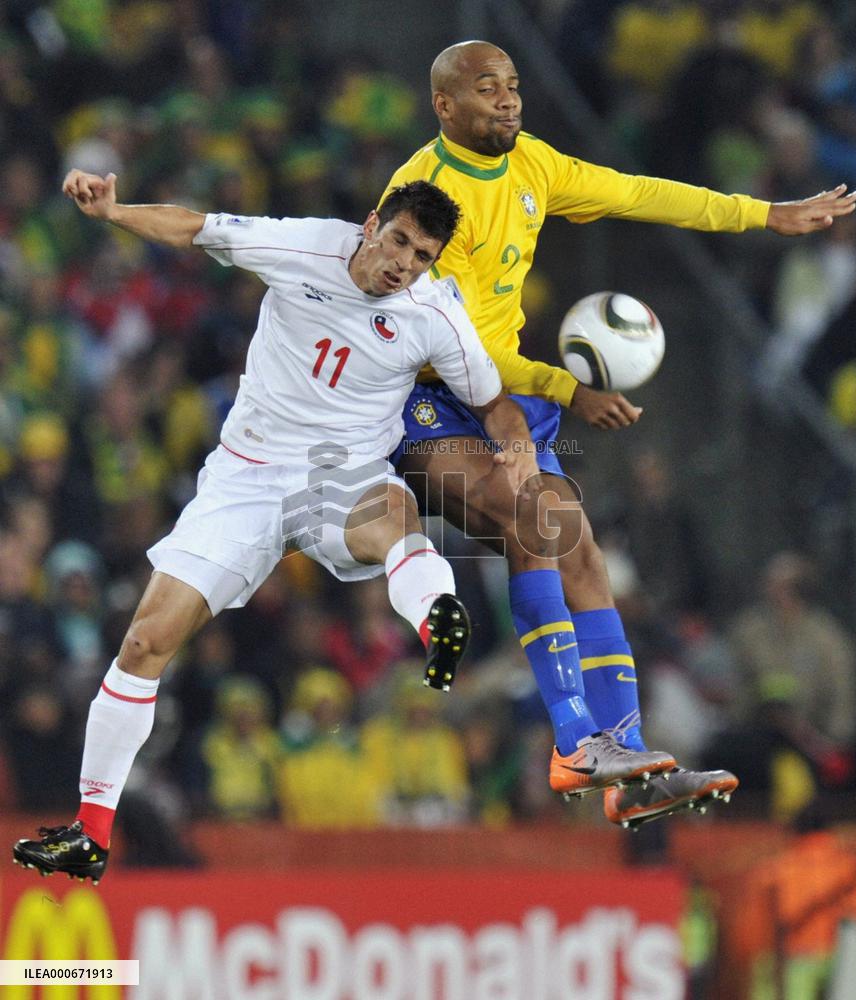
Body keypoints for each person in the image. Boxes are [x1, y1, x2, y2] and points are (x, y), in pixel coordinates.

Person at [13, 170, 592, 883]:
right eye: (400, 242)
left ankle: (438, 617)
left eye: (421, 257)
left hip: (336, 472)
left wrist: (518, 442)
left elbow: (494, 401)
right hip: (245, 475)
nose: (402, 265)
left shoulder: (434, 315)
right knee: (143, 641)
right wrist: (114, 212)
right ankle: (90, 833)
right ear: (374, 222)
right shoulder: (305, 246)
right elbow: (194, 228)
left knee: (392, 515)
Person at [382, 40, 856, 828]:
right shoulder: (424, 199)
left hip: (503, 388)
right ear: (444, 107)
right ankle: (575, 743)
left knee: (582, 551)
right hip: (424, 396)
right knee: (529, 514)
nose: (508, 100)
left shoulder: (532, 164)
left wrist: (764, 215)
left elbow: (637, 193)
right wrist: (567, 386)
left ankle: (622, 757)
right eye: (486, 89)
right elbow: (446, 341)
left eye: (513, 85)